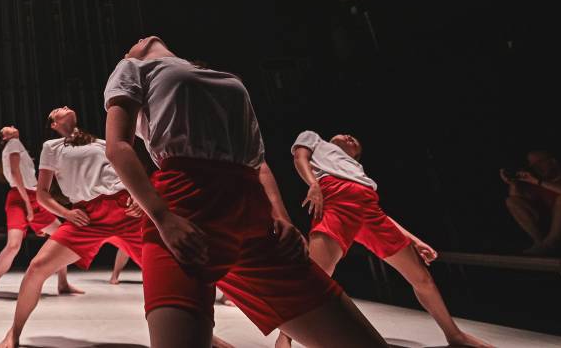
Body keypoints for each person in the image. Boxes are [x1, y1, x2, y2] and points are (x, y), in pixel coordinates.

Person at [103, 36, 389, 348]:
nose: (141, 38)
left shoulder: (216, 77)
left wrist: (282, 217)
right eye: (133, 41)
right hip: (188, 209)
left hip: (253, 215)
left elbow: (257, 161)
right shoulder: (132, 67)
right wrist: (162, 217)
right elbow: (118, 147)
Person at [270, 131, 491, 348]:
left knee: (422, 277)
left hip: (368, 207)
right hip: (336, 200)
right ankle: (285, 337)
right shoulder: (315, 139)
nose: (350, 137)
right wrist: (314, 185)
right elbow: (300, 158)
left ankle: (454, 335)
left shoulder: (357, 170)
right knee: (313, 278)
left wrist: (414, 240)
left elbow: (378, 213)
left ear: (356, 156)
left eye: (355, 141)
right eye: (346, 135)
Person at [0, 106, 146, 348]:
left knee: (167, 268)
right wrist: (66, 213)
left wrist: (140, 198)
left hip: (125, 211)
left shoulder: (101, 143)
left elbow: (130, 172)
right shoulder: (52, 147)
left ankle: (200, 334)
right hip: (87, 216)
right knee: (36, 268)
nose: (64, 107)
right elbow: (43, 194)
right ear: (53, 124)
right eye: (57, 110)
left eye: (67, 107)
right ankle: (13, 333)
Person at [0, 126, 80, 300]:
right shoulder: (12, 144)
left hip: (32, 197)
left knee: (62, 237)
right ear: (4, 137)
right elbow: (14, 172)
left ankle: (63, 283)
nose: (11, 126)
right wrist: (27, 204)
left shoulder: (16, 145)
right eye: (7, 128)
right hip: (23, 197)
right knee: (13, 245)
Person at [502, 150, 561, 256]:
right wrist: (513, 183)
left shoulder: (539, 181)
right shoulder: (535, 182)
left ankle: (550, 244)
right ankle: (540, 243)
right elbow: (516, 201)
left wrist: (538, 182)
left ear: (553, 162)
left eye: (538, 163)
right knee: (511, 201)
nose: (535, 168)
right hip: (547, 226)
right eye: (532, 165)